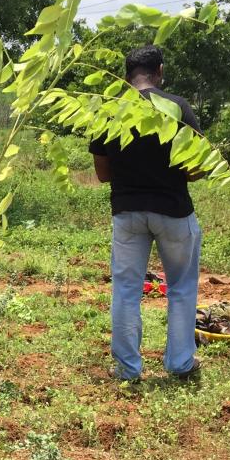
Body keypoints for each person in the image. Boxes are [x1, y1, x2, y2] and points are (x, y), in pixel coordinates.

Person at [89, 45, 204, 382]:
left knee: (126, 290)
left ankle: (127, 369)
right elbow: (197, 167)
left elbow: (103, 173)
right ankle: (180, 364)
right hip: (174, 212)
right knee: (181, 288)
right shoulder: (177, 107)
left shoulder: (111, 110)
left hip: (127, 214)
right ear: (160, 72)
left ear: (127, 77)